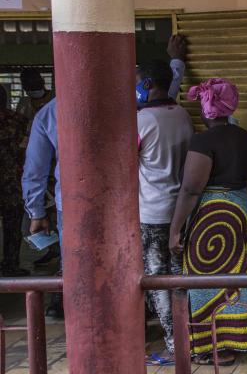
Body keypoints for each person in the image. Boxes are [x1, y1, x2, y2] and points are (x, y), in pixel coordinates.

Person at [22, 39, 187, 318]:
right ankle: (127, 319)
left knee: (79, 266)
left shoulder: (48, 114)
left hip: (75, 206)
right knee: (126, 264)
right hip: (125, 204)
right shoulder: (127, 105)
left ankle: (89, 318)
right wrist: (176, 64)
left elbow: (35, 169)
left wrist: (36, 211)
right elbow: (161, 99)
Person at [169, 78, 247, 366]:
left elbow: (191, 189)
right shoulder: (245, 137)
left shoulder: (203, 141)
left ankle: (215, 346)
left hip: (213, 212)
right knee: (236, 272)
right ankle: (240, 337)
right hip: (242, 205)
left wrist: (175, 231)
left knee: (206, 276)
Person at [136, 59, 194, 365]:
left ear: (147, 84)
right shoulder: (182, 114)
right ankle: (189, 337)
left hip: (153, 212)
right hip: (181, 210)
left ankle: (174, 344)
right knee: (180, 276)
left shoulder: (143, 120)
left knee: (157, 278)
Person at [0, 86, 29, 276]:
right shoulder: (19, 121)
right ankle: (10, 265)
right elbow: (28, 151)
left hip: (12, 181)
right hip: (12, 182)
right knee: (12, 227)